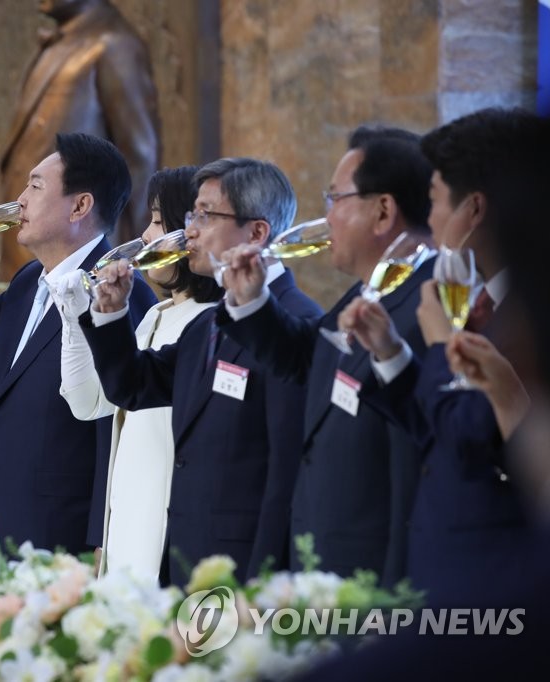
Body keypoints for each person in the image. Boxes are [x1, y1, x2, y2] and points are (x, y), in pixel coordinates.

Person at [80, 158, 321, 584]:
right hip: (186, 564)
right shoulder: (207, 323)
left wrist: (263, 583)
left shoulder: (297, 324)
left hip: (243, 572)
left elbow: (286, 475)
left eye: (206, 215)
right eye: (192, 214)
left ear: (258, 232)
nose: (189, 229)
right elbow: (133, 386)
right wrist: (111, 315)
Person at [336, 108, 542, 602]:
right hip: (442, 559)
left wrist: (435, 343)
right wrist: (389, 354)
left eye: (433, 201)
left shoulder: (528, 319)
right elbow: (434, 427)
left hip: (491, 576)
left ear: (473, 210)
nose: (428, 221)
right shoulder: (480, 299)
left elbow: (467, 439)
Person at [216, 128, 434, 584]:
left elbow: (415, 468)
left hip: (372, 577)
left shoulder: (427, 305)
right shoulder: (369, 289)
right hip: (321, 566)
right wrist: (252, 303)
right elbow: (310, 360)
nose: (327, 216)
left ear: (383, 211)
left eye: (336, 199)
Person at [0, 132, 157, 554]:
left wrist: (98, 541)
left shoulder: (119, 290)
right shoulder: (27, 280)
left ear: (80, 205)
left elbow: (116, 419)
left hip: (62, 528)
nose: (20, 200)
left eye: (34, 186)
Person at [51, 166, 218, 579]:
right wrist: (76, 317)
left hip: (167, 535)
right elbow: (88, 402)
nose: (145, 235)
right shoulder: (155, 316)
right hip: (125, 524)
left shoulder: (213, 324)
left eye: (158, 220)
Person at [0, 0, 160, 282]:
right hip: (29, 262)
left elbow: (139, 157)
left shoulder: (114, 44)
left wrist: (129, 262)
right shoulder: (61, 42)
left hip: (80, 262)